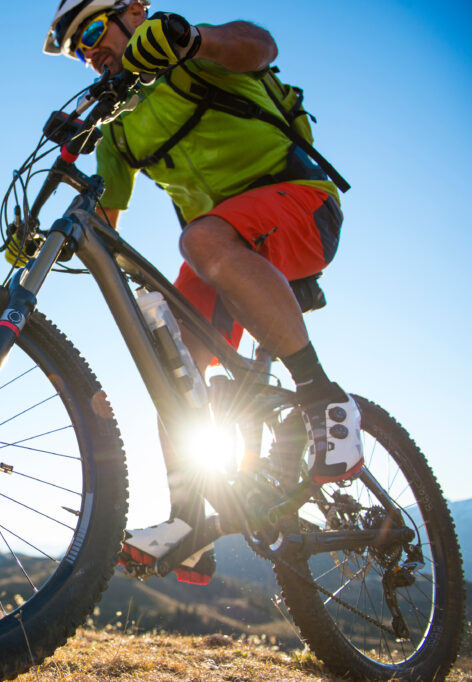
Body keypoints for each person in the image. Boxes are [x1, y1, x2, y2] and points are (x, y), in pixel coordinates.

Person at [43, 0, 364, 585]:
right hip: (224, 248)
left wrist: (192, 40)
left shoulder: (187, 55)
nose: (90, 52)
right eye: (78, 50)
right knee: (174, 368)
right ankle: (187, 526)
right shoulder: (119, 128)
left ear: (133, 11)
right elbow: (105, 219)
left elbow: (258, 46)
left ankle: (324, 399)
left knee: (201, 239)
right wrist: (54, 217)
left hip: (299, 205)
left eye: (92, 30)